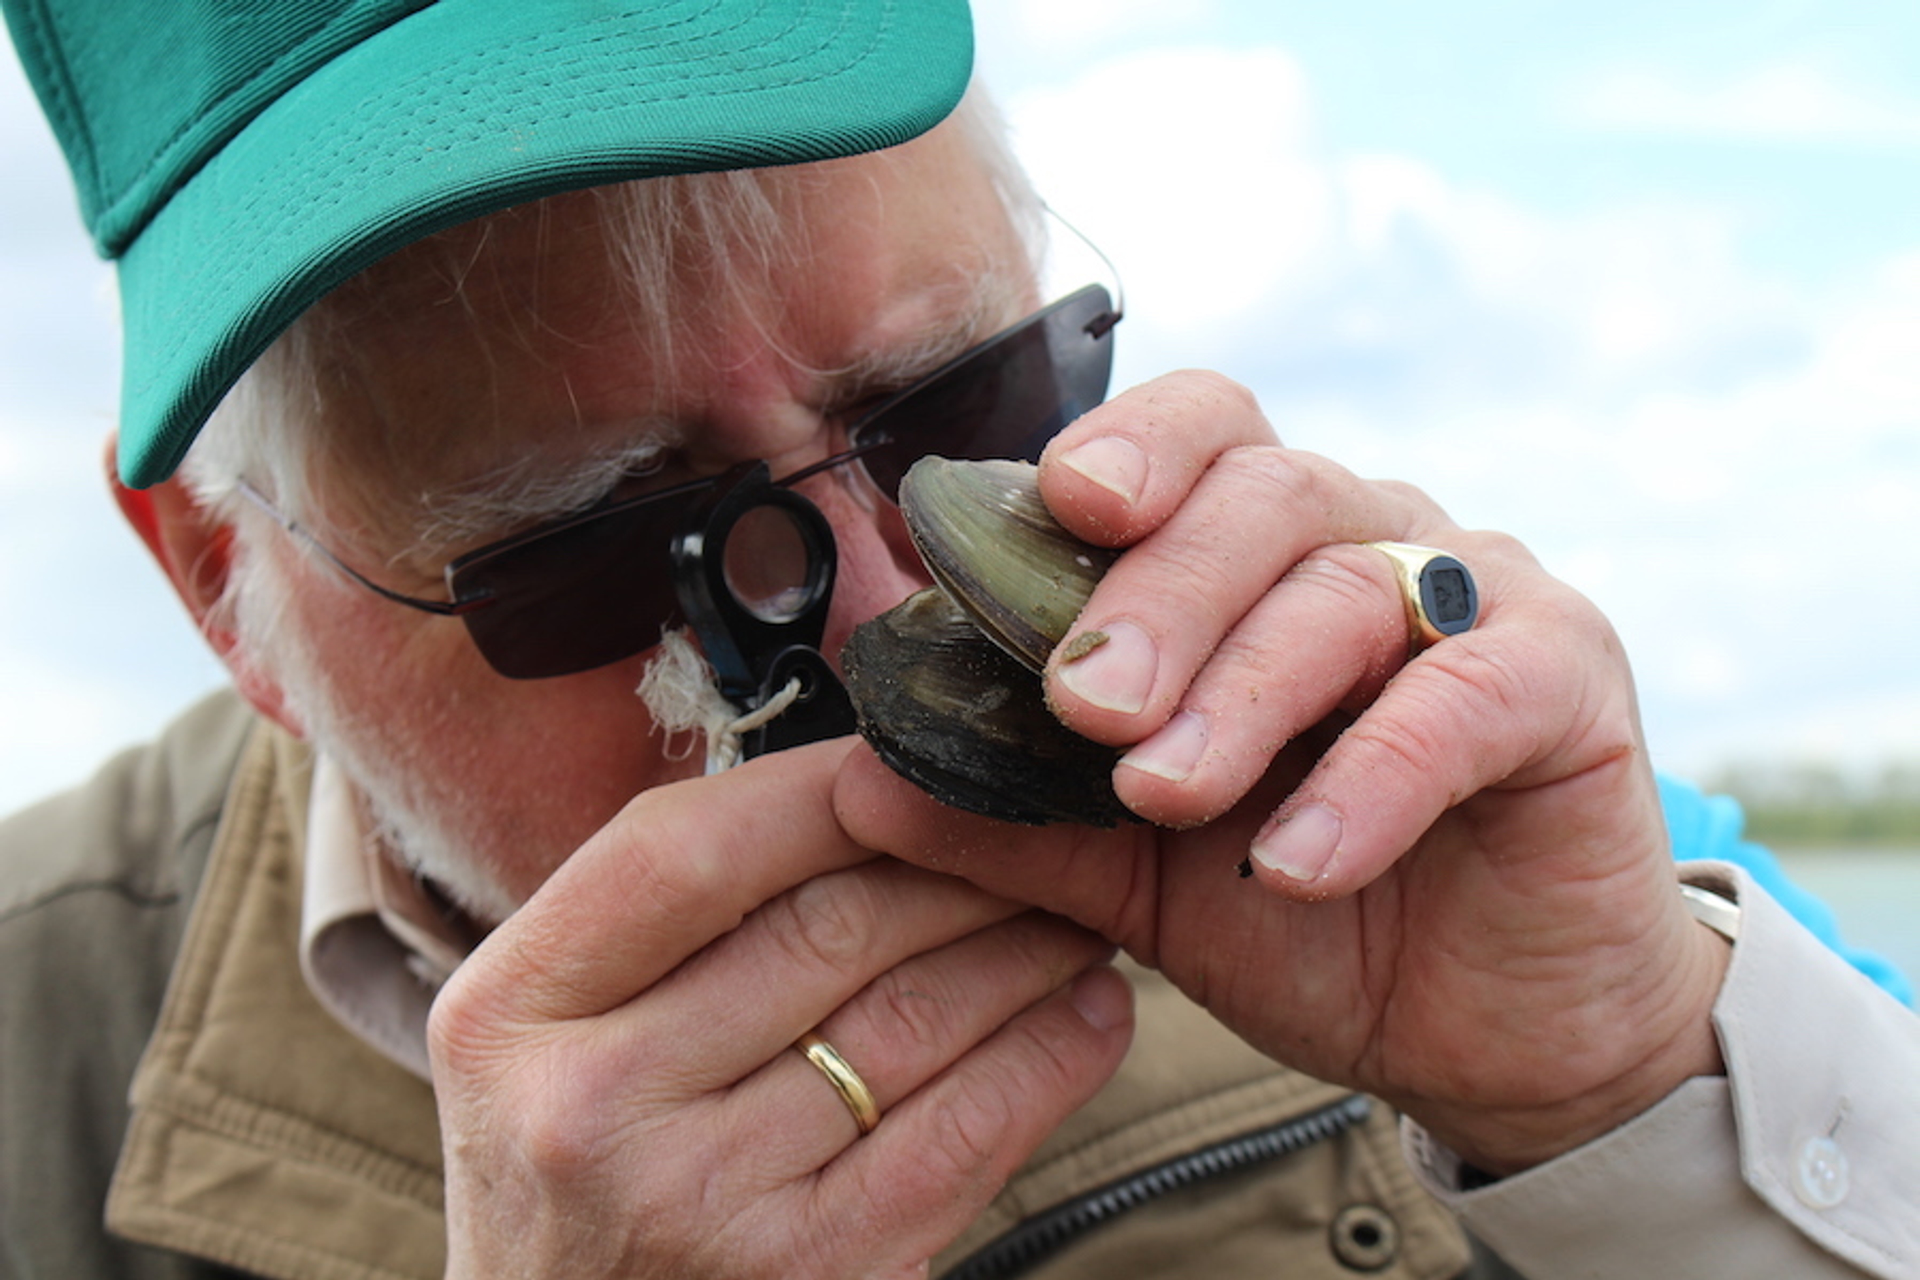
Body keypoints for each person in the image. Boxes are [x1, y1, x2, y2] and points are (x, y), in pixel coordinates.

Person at [2, 2, 1915, 1277]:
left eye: (964, 412)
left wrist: (1640, 1111)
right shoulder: (34, 1069)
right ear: (218, 590)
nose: (888, 610)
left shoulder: (1411, 800)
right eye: (603, 541)